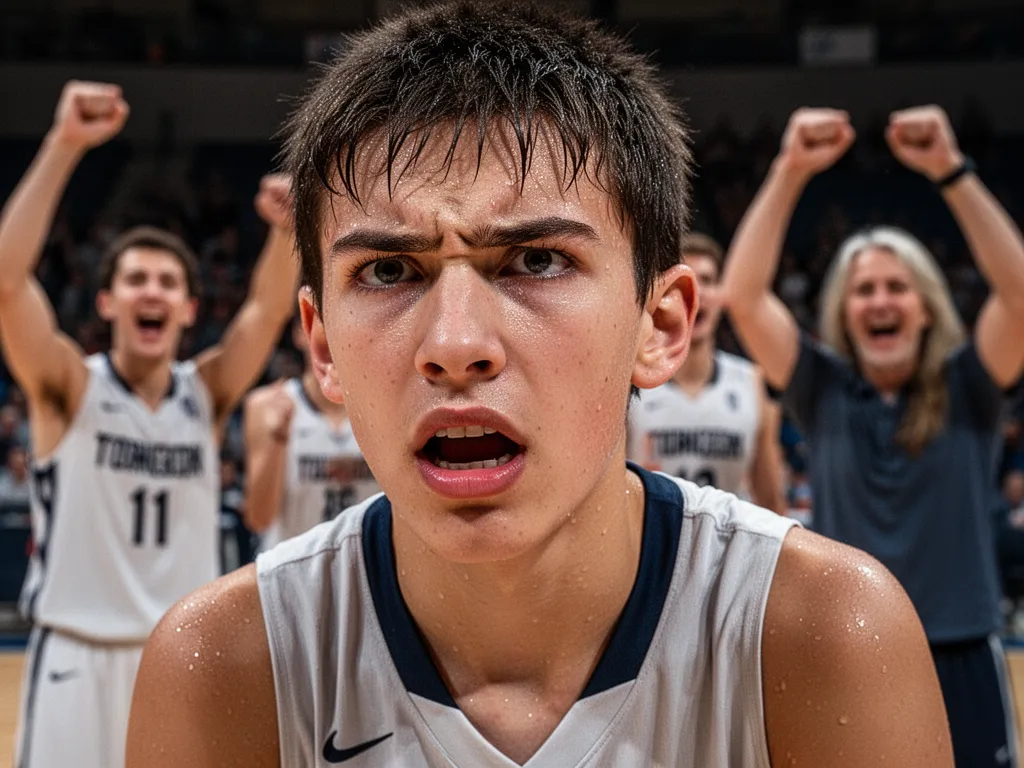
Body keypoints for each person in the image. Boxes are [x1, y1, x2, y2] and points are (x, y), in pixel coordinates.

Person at [126, 6, 953, 767]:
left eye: (536, 260)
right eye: (388, 270)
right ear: (323, 348)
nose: (455, 346)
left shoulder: (823, 636)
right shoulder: (227, 666)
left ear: (660, 327)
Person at [3, 80, 299, 767]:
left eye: (169, 282)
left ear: (191, 310)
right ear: (106, 300)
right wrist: (64, 144)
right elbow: (8, 282)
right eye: (136, 279)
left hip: (179, 659)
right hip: (76, 653)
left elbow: (265, 312)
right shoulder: (67, 388)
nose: (153, 292)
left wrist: (286, 232)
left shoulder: (209, 394)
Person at [721, 106, 1024, 767]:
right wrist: (790, 169)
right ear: (843, 311)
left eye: (896, 287)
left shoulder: (968, 384)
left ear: (926, 307)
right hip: (849, 649)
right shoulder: (823, 391)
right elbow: (743, 297)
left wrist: (951, 171)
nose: (880, 300)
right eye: (863, 290)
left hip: (962, 649)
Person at [627, 232, 786, 514]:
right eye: (684, 282)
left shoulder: (752, 382)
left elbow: (771, 501)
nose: (696, 293)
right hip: (653, 546)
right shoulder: (632, 380)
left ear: (723, 296)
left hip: (727, 550)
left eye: (708, 280)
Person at [243, 320, 380, 551]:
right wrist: (279, 436)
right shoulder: (267, 405)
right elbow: (258, 519)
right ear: (301, 333)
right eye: (323, 326)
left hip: (364, 571)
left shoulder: (384, 408)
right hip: (292, 573)